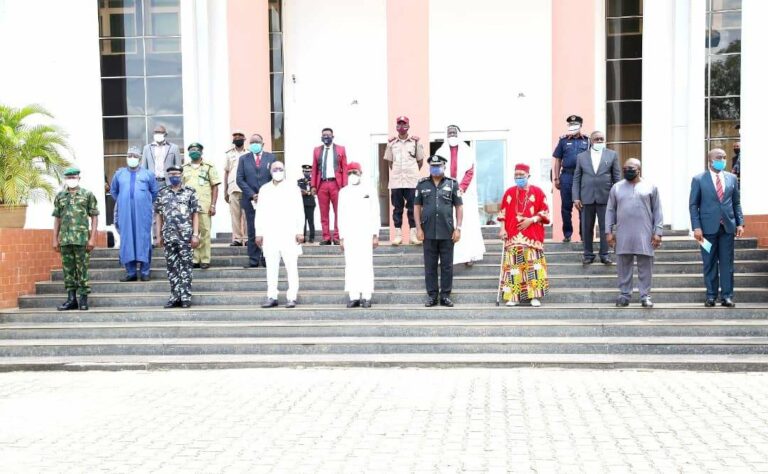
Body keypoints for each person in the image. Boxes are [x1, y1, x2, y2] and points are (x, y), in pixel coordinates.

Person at [689, 148, 744, 308]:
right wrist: (696, 227)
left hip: (727, 228)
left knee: (727, 263)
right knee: (709, 263)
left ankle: (727, 296)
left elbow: (736, 203)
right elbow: (693, 205)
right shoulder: (699, 179)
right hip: (706, 230)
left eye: (725, 157)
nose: (723, 160)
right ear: (710, 160)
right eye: (719, 158)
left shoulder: (732, 178)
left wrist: (740, 223)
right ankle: (711, 296)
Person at [605, 158, 663, 308]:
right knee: (623, 265)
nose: (627, 171)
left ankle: (645, 296)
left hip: (645, 233)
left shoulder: (651, 187)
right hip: (623, 233)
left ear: (638, 170)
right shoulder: (617, 187)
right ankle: (624, 295)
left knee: (646, 266)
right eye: (624, 169)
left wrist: (658, 232)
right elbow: (610, 210)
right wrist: (608, 232)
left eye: (630, 168)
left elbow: (657, 210)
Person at [497, 163, 550, 307]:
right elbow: (502, 213)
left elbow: (545, 212)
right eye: (516, 175)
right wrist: (502, 229)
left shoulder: (538, 192)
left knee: (534, 266)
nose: (519, 177)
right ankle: (513, 297)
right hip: (513, 235)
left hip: (532, 235)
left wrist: (531, 220)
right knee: (514, 267)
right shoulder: (509, 193)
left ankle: (535, 296)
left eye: (521, 175)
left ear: (528, 175)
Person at [415, 155, 463, 307]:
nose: (435, 168)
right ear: (430, 167)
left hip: (447, 232)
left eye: (438, 166)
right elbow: (416, 207)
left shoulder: (452, 184)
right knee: (430, 266)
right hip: (428, 231)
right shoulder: (422, 184)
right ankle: (432, 296)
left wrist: (458, 228)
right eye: (433, 166)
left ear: (444, 167)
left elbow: (459, 207)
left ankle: (445, 296)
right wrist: (418, 228)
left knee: (447, 266)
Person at [256, 161, 305, 308]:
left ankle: (292, 297)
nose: (278, 171)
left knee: (291, 267)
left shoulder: (293, 188)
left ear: (284, 170)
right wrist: (259, 232)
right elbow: (260, 212)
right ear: (270, 171)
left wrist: (300, 231)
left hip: (289, 233)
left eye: (280, 169)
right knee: (271, 267)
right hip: (270, 234)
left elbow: (299, 210)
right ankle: (272, 296)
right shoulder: (264, 189)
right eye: (275, 169)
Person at [435, 124, 486, 266]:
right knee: (447, 224)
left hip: (465, 195)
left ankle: (469, 256)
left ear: (459, 134)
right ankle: (447, 257)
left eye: (454, 133)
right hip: (445, 194)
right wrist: (445, 187)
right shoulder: (440, 151)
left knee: (466, 224)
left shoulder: (468, 151)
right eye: (449, 133)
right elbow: (437, 171)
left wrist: (461, 188)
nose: (452, 136)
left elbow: (470, 171)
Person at [52, 167, 99, 311]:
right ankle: (71, 299)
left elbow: (94, 216)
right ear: (65, 179)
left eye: (73, 177)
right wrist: (55, 239)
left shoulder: (87, 194)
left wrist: (92, 238)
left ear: (79, 178)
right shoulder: (60, 196)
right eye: (69, 178)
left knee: (82, 269)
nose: (71, 180)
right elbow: (57, 218)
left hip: (81, 239)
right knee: (68, 270)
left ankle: (83, 299)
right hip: (65, 240)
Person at [110, 146, 159, 282]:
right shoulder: (119, 174)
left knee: (143, 240)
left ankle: (145, 272)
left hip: (143, 213)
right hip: (125, 212)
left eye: (135, 156)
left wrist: (143, 202)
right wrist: (124, 201)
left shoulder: (148, 174)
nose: (132, 158)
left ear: (140, 158)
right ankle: (130, 272)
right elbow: (114, 191)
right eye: (130, 155)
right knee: (127, 240)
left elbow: (154, 192)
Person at [154, 165, 200, 309]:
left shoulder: (190, 192)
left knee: (186, 267)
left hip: (185, 236)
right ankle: (175, 297)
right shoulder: (162, 193)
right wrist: (158, 235)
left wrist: (195, 234)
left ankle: (185, 297)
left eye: (176, 174)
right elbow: (158, 215)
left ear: (181, 175)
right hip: (169, 236)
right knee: (172, 268)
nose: (174, 176)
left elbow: (195, 214)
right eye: (171, 174)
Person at [572, 130, 621, 265]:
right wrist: (576, 197)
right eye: (597, 139)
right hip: (586, 197)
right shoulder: (581, 157)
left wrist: (618, 197)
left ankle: (605, 255)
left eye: (601, 139)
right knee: (586, 227)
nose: (599, 141)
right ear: (591, 141)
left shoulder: (612, 155)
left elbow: (617, 178)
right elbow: (576, 178)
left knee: (606, 227)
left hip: (606, 197)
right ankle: (588, 255)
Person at [338, 162, 380, 308]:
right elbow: (340, 215)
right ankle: (354, 296)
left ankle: (367, 296)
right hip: (349, 234)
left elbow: (375, 212)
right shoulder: (343, 192)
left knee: (366, 264)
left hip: (365, 233)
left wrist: (375, 234)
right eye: (349, 173)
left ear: (361, 173)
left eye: (355, 172)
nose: (352, 175)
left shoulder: (370, 190)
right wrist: (341, 237)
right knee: (351, 265)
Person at [383, 116, 424, 245]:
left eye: (404, 124)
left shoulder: (415, 142)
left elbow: (420, 161)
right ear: (396, 127)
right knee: (397, 209)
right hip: (396, 182)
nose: (401, 127)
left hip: (412, 181)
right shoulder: (391, 143)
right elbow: (390, 163)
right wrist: (398, 172)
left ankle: (413, 235)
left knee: (413, 208)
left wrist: (411, 172)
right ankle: (398, 235)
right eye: (399, 124)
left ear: (408, 126)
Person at [236, 133, 275, 268]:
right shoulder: (243, 159)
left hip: (268, 200)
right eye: (252, 142)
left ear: (263, 144)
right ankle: (253, 259)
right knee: (252, 229)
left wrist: (265, 194)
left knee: (268, 229)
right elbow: (239, 179)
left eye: (257, 142)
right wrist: (252, 194)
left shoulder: (271, 157)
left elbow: (275, 177)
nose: (254, 144)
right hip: (250, 200)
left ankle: (266, 257)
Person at [182, 142, 221, 270]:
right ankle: (194, 259)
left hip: (204, 205)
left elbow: (215, 187)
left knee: (205, 232)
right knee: (191, 233)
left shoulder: (209, 167)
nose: (194, 151)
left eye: (197, 149)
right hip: (188, 207)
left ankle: (204, 259)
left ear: (201, 152)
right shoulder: (184, 168)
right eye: (191, 150)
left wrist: (213, 205)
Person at [552, 114, 589, 242]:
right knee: (566, 207)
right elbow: (558, 160)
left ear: (580, 125)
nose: (573, 126)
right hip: (567, 176)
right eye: (571, 124)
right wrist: (556, 178)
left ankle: (584, 235)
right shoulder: (563, 141)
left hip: (583, 177)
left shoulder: (587, 141)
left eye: (575, 124)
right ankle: (567, 234)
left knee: (583, 207)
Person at [310, 127, 348, 245]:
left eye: (328, 135)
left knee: (338, 211)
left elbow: (345, 168)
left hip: (336, 184)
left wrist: (345, 186)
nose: (326, 137)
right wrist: (313, 185)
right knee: (324, 212)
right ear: (321, 137)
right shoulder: (317, 150)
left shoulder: (341, 149)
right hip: (321, 184)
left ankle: (337, 237)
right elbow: (314, 169)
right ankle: (326, 237)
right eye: (324, 135)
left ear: (333, 136)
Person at [223, 129, 249, 247]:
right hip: (233, 188)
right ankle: (238, 239)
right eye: (235, 136)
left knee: (247, 215)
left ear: (244, 139)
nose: (237, 138)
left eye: (240, 136)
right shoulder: (229, 154)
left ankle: (247, 238)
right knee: (235, 215)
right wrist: (225, 190)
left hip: (246, 188)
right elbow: (226, 172)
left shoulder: (249, 153)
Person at [298, 164, 316, 243]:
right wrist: (306, 192)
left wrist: (308, 192)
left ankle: (312, 237)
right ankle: (303, 237)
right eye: (305, 171)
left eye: (308, 171)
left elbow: (314, 191)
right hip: (302, 203)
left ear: (311, 172)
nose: (307, 173)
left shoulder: (313, 181)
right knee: (303, 221)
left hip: (311, 203)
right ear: (303, 172)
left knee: (311, 221)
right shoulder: (299, 181)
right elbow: (299, 191)